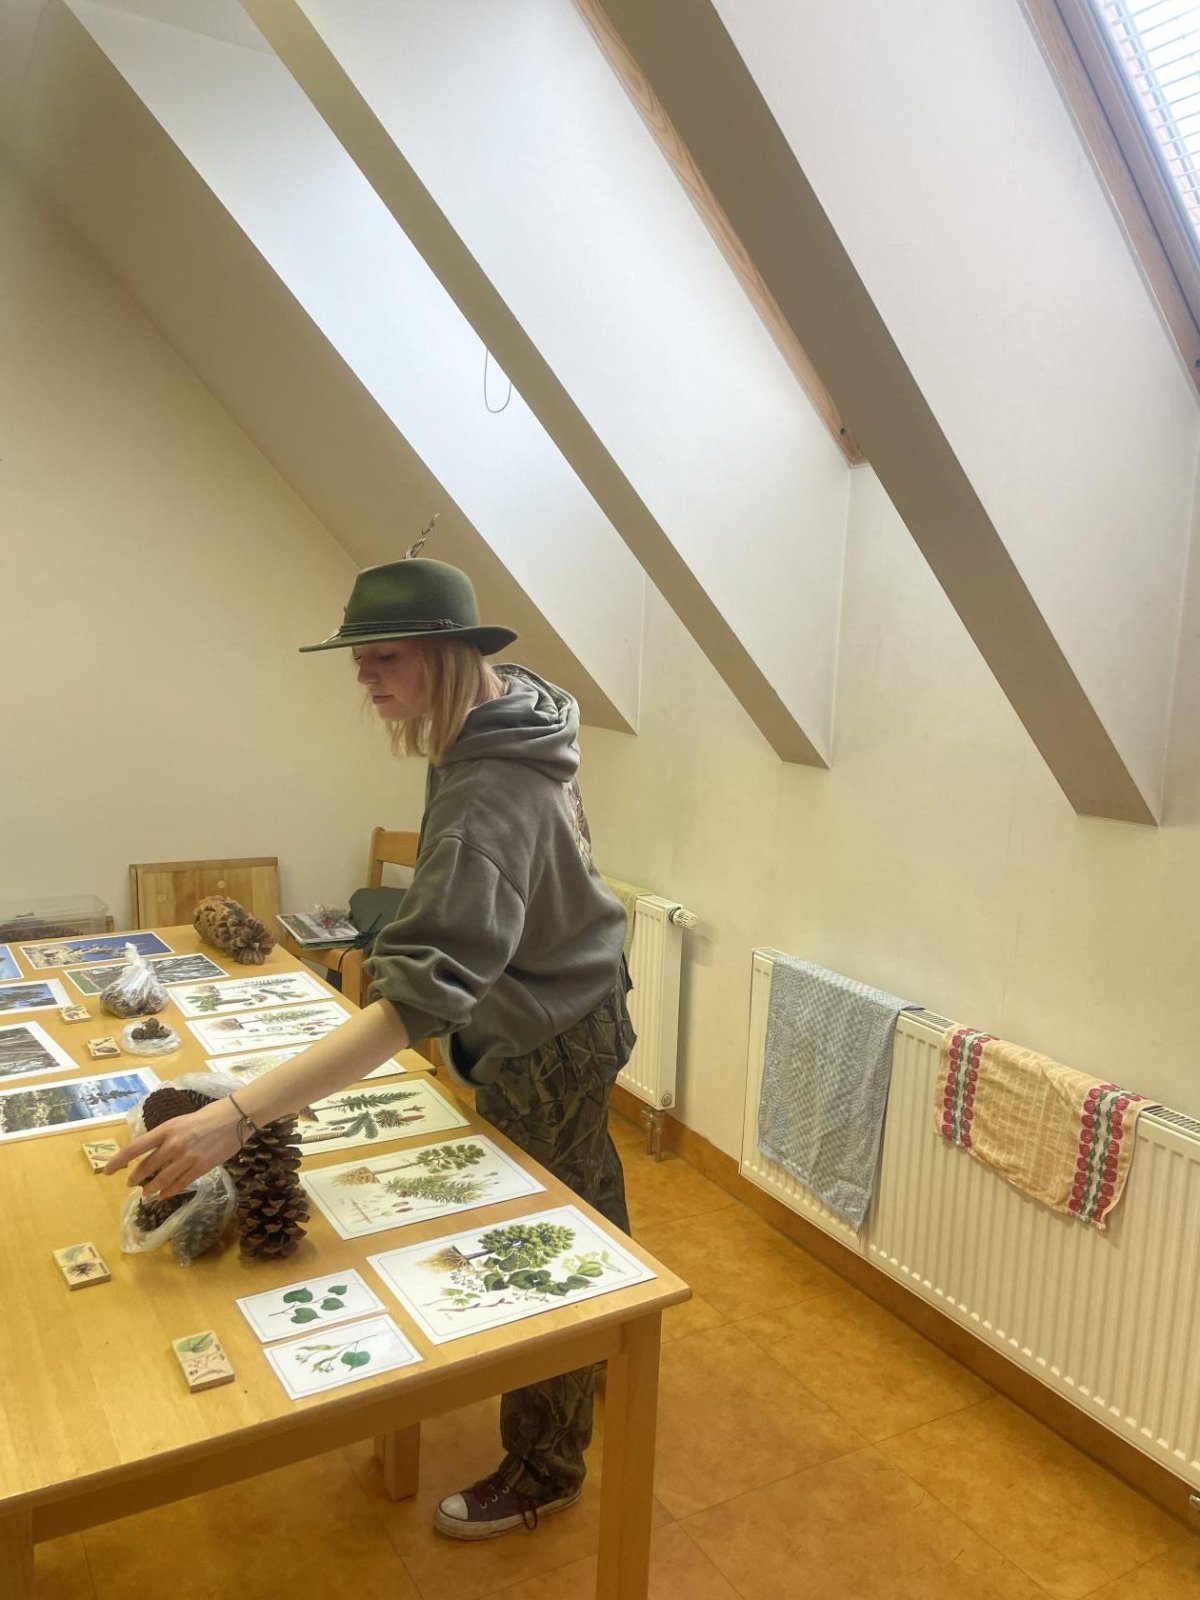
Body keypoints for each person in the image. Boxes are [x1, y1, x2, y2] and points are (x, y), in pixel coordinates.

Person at [106, 555, 634, 1541]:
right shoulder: (514, 703)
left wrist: (237, 1117)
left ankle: (546, 1465)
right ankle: (605, 1352)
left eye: (384, 657)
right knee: (588, 1183)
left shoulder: (487, 793)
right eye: (359, 659)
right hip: (588, 986)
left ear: (447, 653)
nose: (364, 677)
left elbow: (408, 1013)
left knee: (547, 1232)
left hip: (555, 1027)